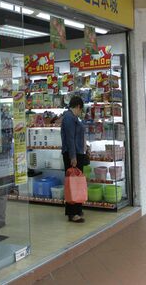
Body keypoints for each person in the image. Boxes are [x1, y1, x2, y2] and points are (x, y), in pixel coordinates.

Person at [61, 95, 87, 223]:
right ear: (78, 107)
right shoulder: (69, 118)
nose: (80, 112)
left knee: (77, 182)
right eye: (80, 110)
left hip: (77, 153)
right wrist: (73, 157)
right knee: (72, 183)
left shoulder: (73, 117)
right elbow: (70, 138)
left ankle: (77, 209)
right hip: (73, 154)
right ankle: (73, 213)